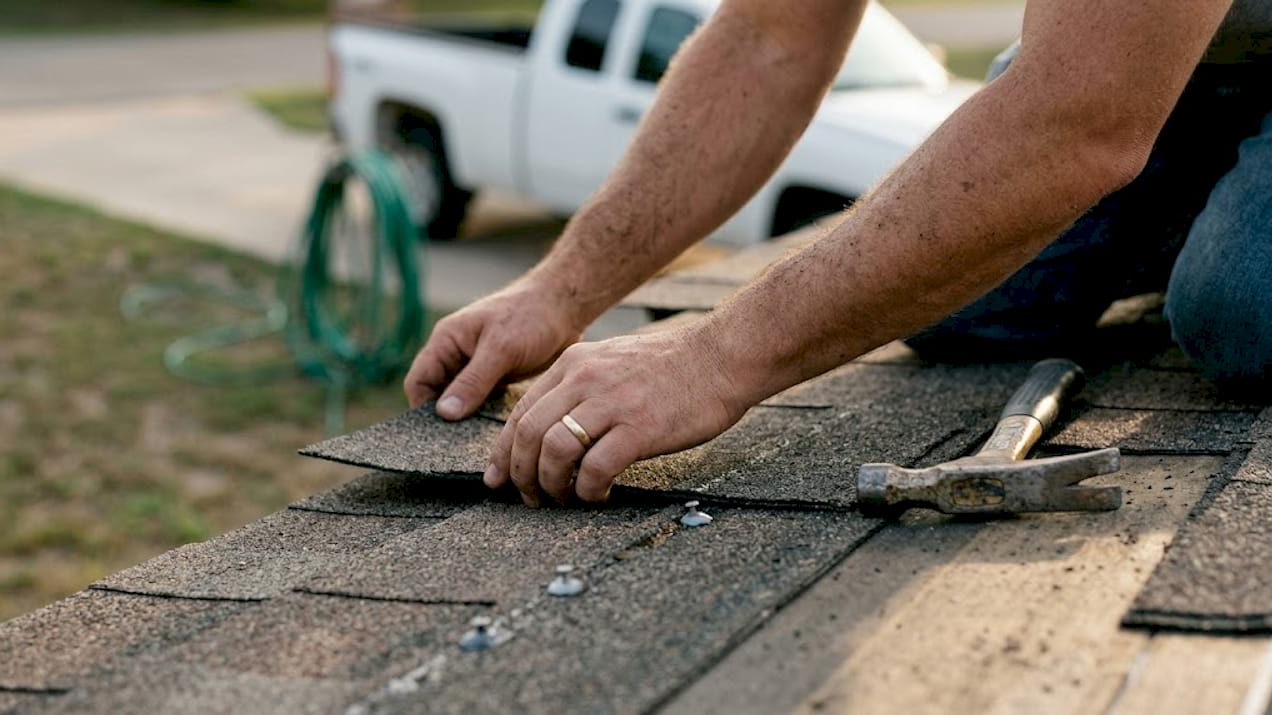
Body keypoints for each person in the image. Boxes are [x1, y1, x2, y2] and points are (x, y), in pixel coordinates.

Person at [404, 0, 1272, 507]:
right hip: (1173, 49)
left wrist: (712, 357)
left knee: (1234, 302)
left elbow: (1079, 117)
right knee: (957, 303)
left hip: (1128, 62)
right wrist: (559, 290)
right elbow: (770, 39)